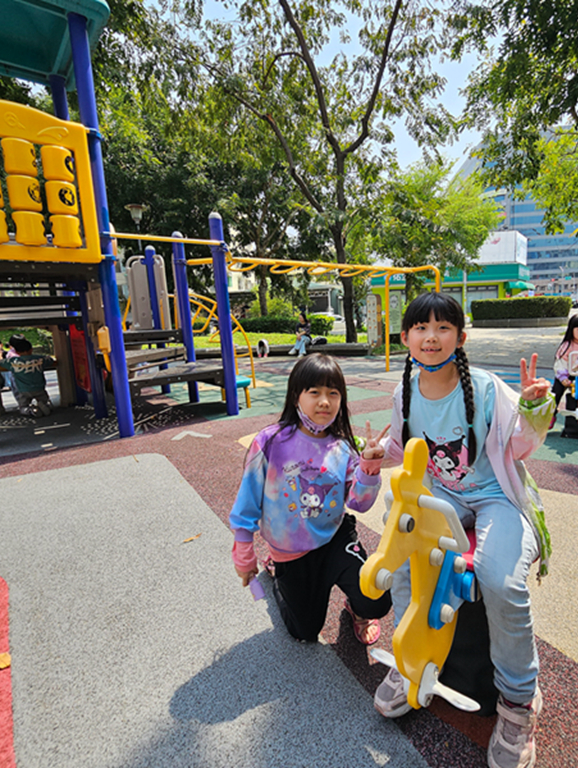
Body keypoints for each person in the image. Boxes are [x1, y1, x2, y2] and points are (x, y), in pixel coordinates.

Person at [373, 292, 555, 768]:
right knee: (406, 553)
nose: (431, 337)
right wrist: (375, 455)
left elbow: (521, 445)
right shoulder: (405, 392)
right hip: (445, 496)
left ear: (460, 337)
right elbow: (404, 449)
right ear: (406, 337)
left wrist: (535, 407)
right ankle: (409, 660)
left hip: (497, 497)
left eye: (443, 327)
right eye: (421, 327)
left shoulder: (487, 388)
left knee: (500, 580)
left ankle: (518, 700)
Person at [229, 353, 392, 645]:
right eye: (314, 392)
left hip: (335, 539)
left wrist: (369, 467)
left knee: (377, 600)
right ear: (296, 397)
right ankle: (276, 573)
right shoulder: (270, 442)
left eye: (333, 393)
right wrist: (243, 551)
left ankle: (356, 608)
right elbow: (247, 500)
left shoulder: (343, 448)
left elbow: (359, 503)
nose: (325, 401)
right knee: (304, 632)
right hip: (290, 552)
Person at [0, 336, 52, 417]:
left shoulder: (13, 362)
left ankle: (30, 411)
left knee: (23, 406)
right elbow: (50, 360)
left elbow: (2, 363)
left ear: (16, 351)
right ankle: (44, 405)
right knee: (44, 399)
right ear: (31, 349)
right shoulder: (39, 359)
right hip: (39, 387)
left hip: (23, 390)